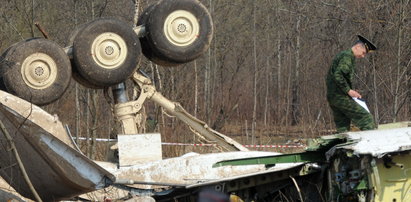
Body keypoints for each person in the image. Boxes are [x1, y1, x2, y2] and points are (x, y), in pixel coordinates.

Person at [326, 35, 377, 133]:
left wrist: (351, 92)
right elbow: (338, 75)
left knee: (343, 128)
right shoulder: (347, 56)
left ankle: (342, 147)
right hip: (340, 96)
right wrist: (348, 91)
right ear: (357, 47)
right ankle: (371, 145)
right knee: (366, 119)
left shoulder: (343, 55)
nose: (363, 56)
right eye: (363, 53)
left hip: (333, 97)